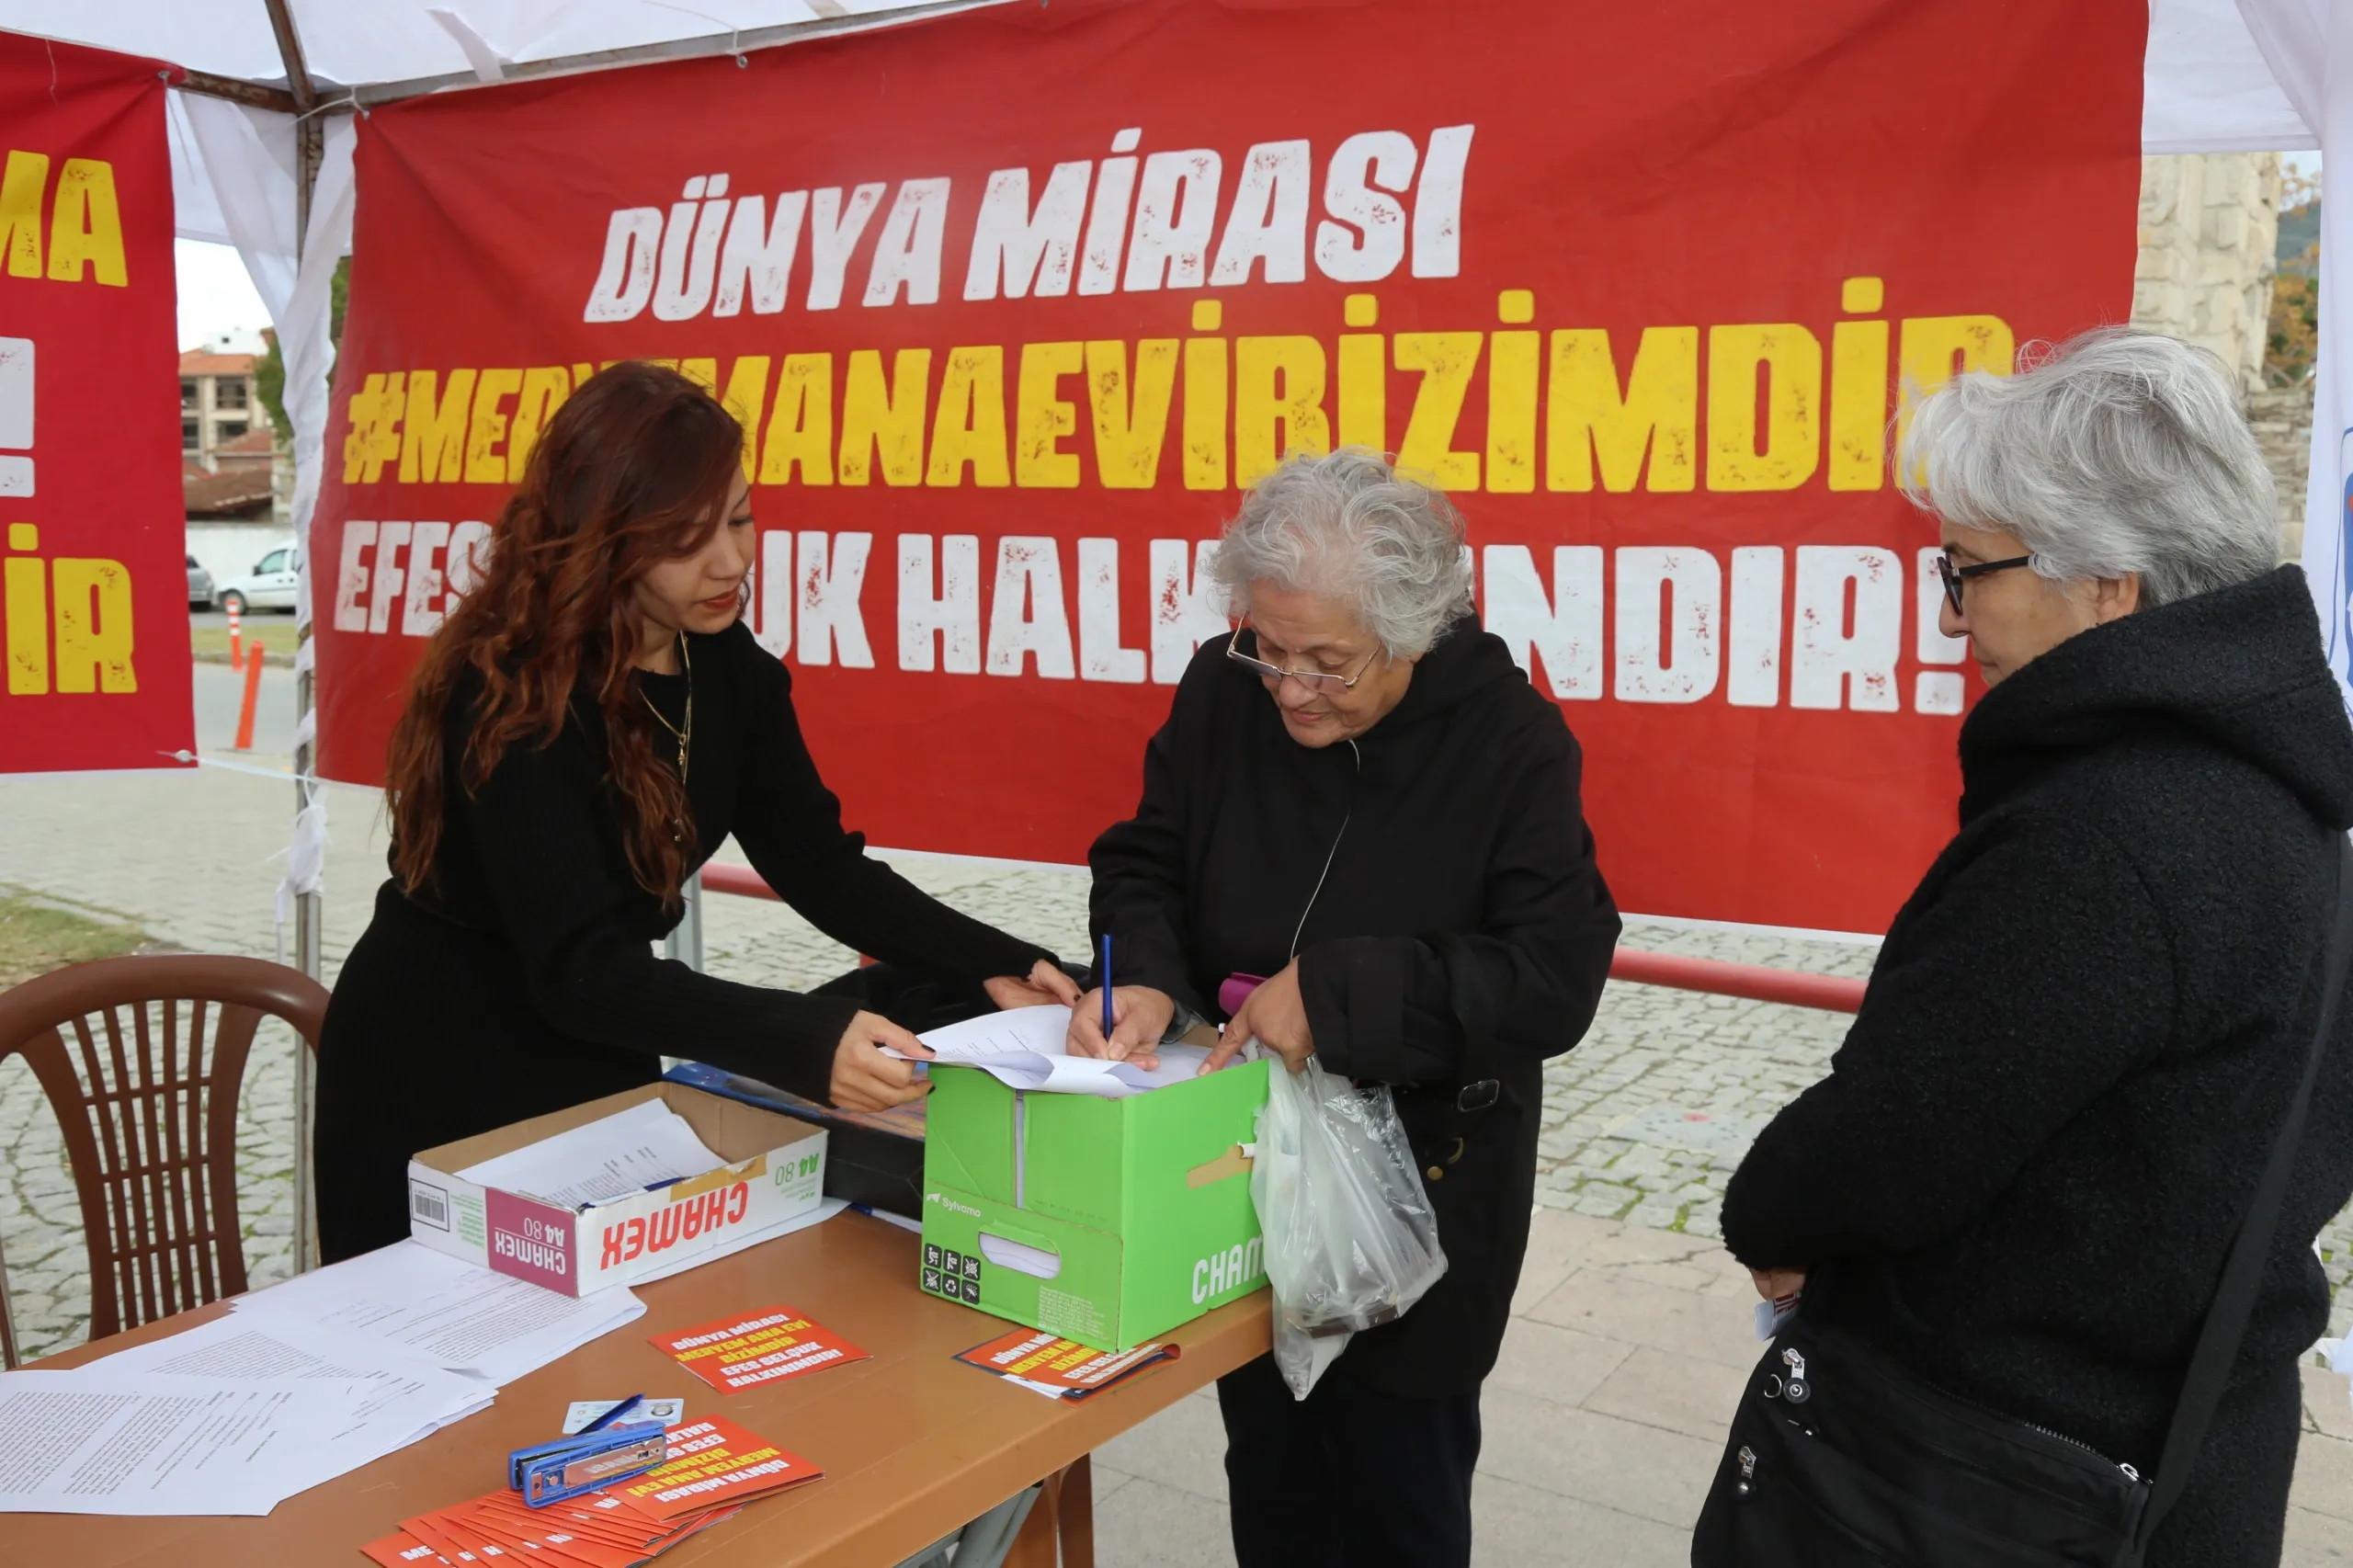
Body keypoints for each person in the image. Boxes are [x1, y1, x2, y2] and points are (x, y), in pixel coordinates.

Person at [1718, 328, 2353, 1565]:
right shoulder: (2288, 801)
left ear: (2108, 584)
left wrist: (1772, 1211)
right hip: (2184, 1458)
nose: (1956, 616)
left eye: (1968, 570)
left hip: (1992, 1480)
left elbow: (1895, 1137)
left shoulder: (2108, 838)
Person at [315, 362, 1076, 1262]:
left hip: (600, 1055)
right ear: (603, 537)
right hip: (436, 1071)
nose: (729, 560)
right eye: (685, 537)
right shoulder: (510, 693)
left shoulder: (726, 666)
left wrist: (1007, 960)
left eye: (740, 518)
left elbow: (822, 865)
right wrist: (800, 1038)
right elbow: (579, 968)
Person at [1070, 449, 1620, 1568]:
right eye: (1266, 649)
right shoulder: (1220, 693)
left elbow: (1555, 973)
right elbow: (1145, 856)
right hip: (1238, 1174)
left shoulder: (1511, 743)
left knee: (1394, 1498)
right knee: (1269, 1476)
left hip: (1419, 1202)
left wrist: (1334, 990)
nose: (1287, 689)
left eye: (1327, 662)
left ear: (1414, 631)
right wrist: (1144, 974)